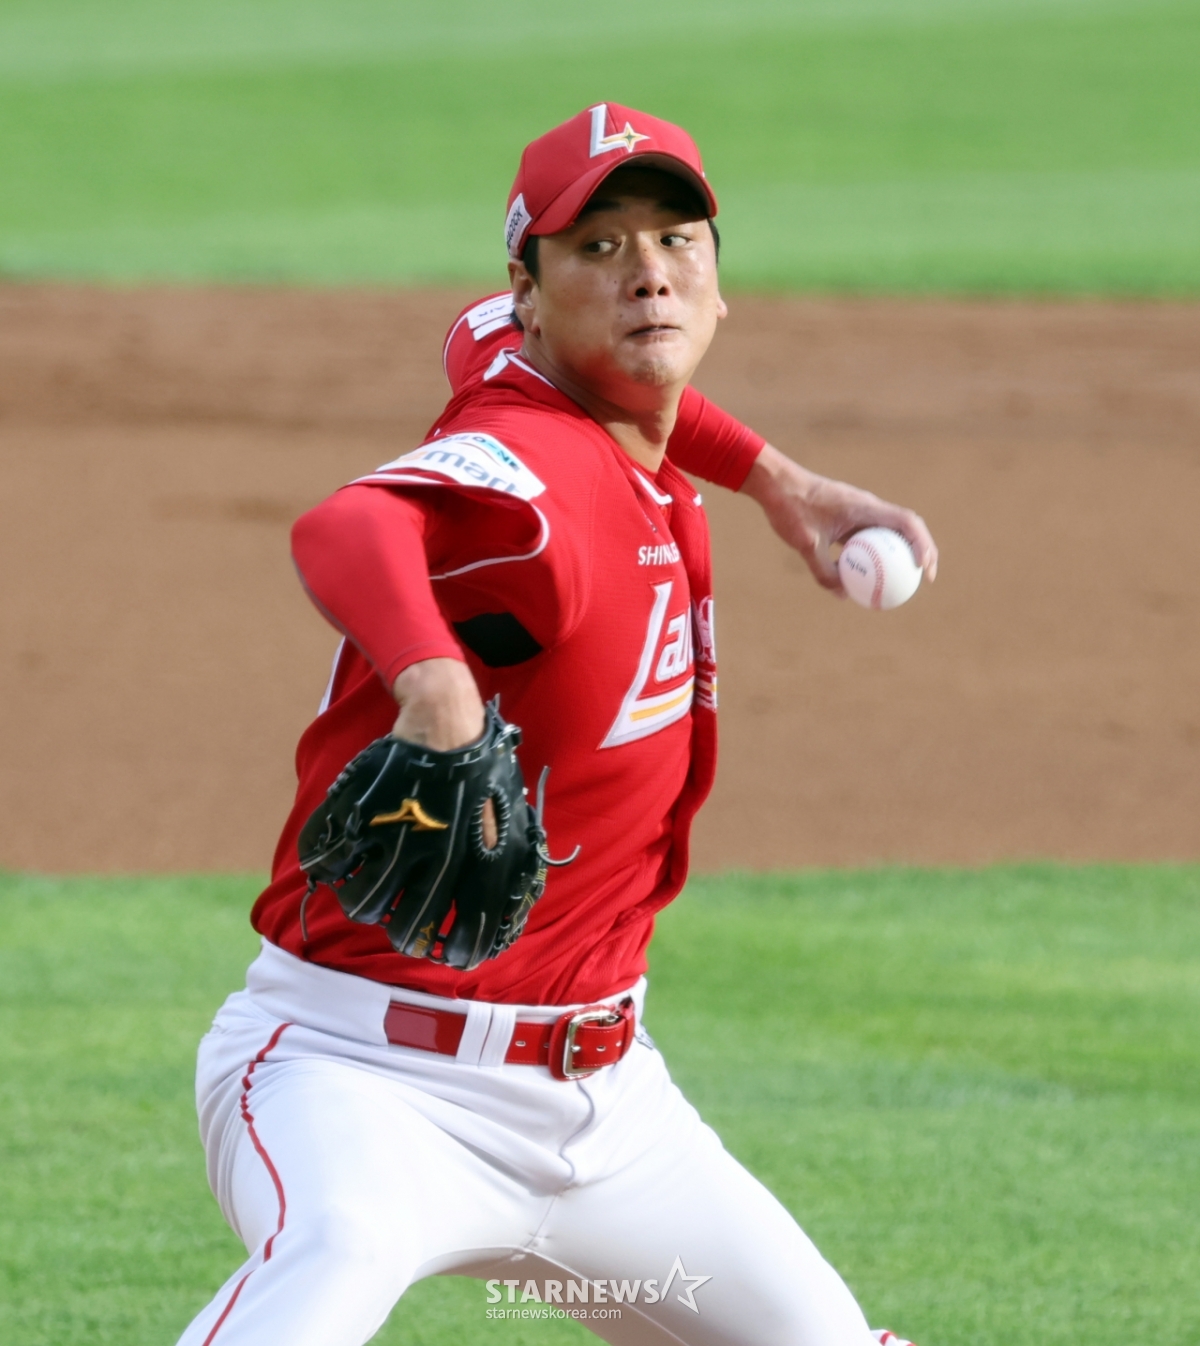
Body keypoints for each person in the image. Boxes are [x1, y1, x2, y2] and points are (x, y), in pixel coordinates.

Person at [176, 103, 937, 1346]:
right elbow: (348, 522)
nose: (648, 273)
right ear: (528, 293)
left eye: (676, 240)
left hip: (611, 1118)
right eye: (599, 247)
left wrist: (777, 479)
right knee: (330, 1262)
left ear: (719, 279)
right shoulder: (536, 468)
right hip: (367, 1082)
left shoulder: (537, 367)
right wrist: (436, 681)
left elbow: (623, 370)